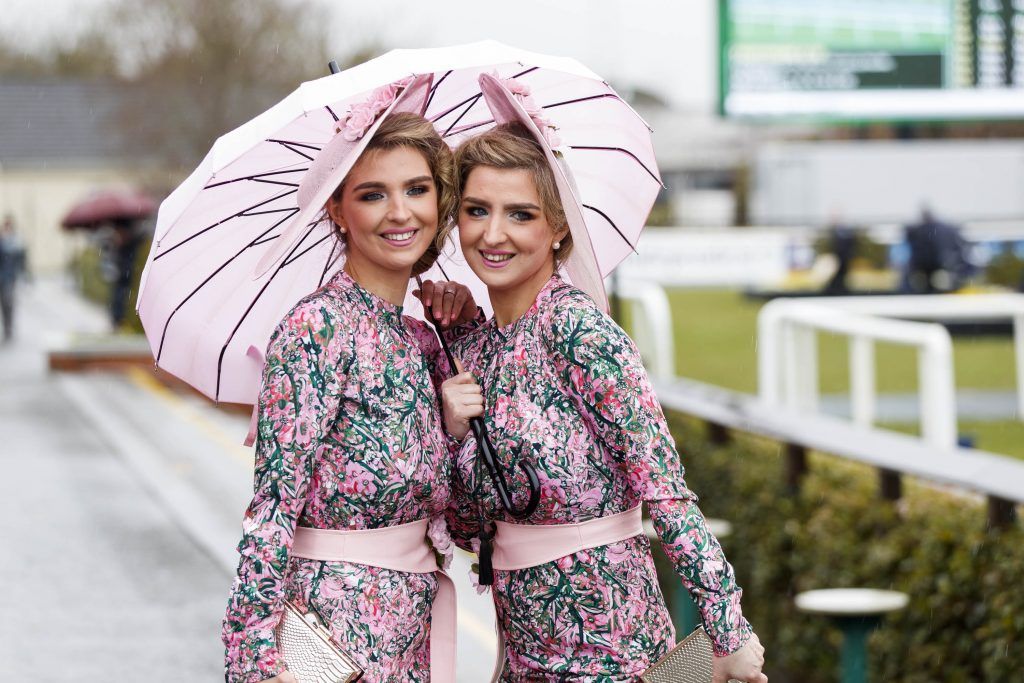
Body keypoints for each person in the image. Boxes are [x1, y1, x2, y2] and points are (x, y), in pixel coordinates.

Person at [424, 75, 766, 682]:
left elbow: (666, 494)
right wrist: (452, 420)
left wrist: (728, 630)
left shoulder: (584, 336)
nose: (492, 233)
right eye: (477, 210)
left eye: (520, 214)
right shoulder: (470, 346)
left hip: (614, 653)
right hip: (522, 656)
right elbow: (465, 524)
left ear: (558, 227)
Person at [221, 79, 477, 683]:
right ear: (338, 209)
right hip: (333, 633)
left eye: (417, 189)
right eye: (372, 194)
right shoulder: (316, 329)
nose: (400, 212)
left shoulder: (423, 340)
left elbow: (467, 515)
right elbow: (272, 507)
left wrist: (457, 390)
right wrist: (255, 662)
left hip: (411, 632)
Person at [0, 215, 27, 342]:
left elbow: (21, 262)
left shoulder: (16, 244)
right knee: (5, 304)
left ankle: (8, 329)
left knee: (8, 303)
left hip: (9, 279)